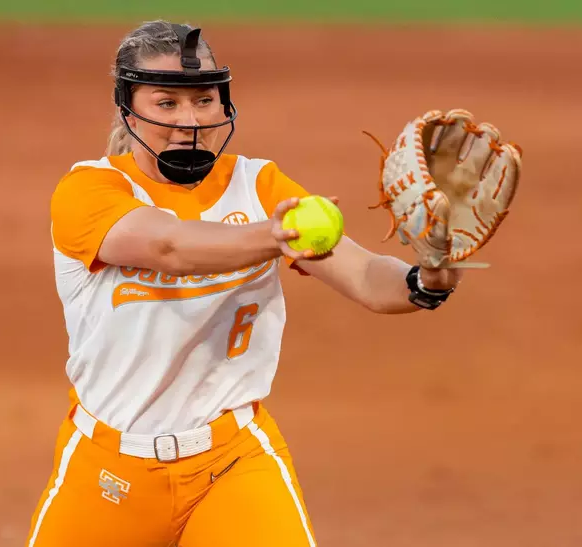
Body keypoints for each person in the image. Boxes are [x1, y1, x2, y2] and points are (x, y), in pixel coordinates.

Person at [25, 20, 466, 547]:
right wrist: (275, 234)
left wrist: (430, 276)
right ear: (127, 108)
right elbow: (169, 246)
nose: (189, 119)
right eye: (166, 103)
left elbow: (368, 278)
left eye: (204, 100)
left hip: (231, 464)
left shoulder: (259, 186)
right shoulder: (89, 190)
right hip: (106, 471)